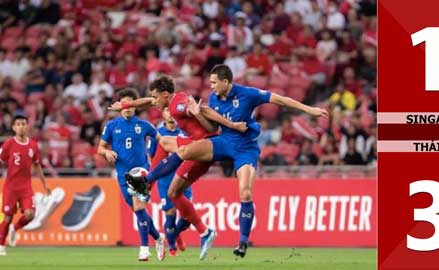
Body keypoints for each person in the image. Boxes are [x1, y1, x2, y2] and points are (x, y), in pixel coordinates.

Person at [127, 64, 329, 257]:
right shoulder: (213, 99)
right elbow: (211, 128)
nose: (211, 87)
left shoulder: (248, 94)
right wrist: (202, 114)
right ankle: (147, 181)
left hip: (245, 149)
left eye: (214, 82)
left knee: (246, 193)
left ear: (226, 81)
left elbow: (281, 99)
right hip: (222, 141)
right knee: (185, 150)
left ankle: (242, 241)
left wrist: (310, 110)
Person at [109, 75, 247, 260]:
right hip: (195, 144)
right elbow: (146, 101)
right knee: (174, 192)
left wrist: (231, 125)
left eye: (156, 97)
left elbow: (204, 110)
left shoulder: (178, 104)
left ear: (165, 94)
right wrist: (125, 106)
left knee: (166, 143)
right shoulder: (169, 101)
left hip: (204, 144)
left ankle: (146, 183)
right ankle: (205, 232)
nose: (154, 101)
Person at [97, 88, 165, 261]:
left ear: (135, 106)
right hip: (122, 175)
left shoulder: (144, 125)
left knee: (139, 207)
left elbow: (162, 142)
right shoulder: (111, 126)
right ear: (120, 106)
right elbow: (100, 148)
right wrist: (107, 153)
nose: (127, 108)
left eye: (130, 104)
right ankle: (158, 237)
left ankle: (143, 249)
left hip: (141, 172)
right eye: (124, 104)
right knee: (138, 211)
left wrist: (158, 162)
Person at [0, 115, 50, 256]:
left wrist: (44, 184)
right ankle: (1, 245)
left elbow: (37, 165)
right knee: (7, 217)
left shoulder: (33, 145)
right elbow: (1, 160)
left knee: (30, 215)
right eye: (18, 124)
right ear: (14, 127)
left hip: (25, 187)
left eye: (23, 124)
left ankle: (14, 229)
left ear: (27, 126)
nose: (21, 126)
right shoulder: (9, 144)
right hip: (10, 187)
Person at [147, 108, 192, 257]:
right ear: (163, 114)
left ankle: (174, 235)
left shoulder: (185, 131)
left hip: (184, 177)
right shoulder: (157, 134)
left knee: (187, 217)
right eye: (167, 111)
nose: (170, 114)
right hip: (165, 179)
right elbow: (151, 157)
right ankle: (172, 245)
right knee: (170, 213)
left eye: (172, 111)